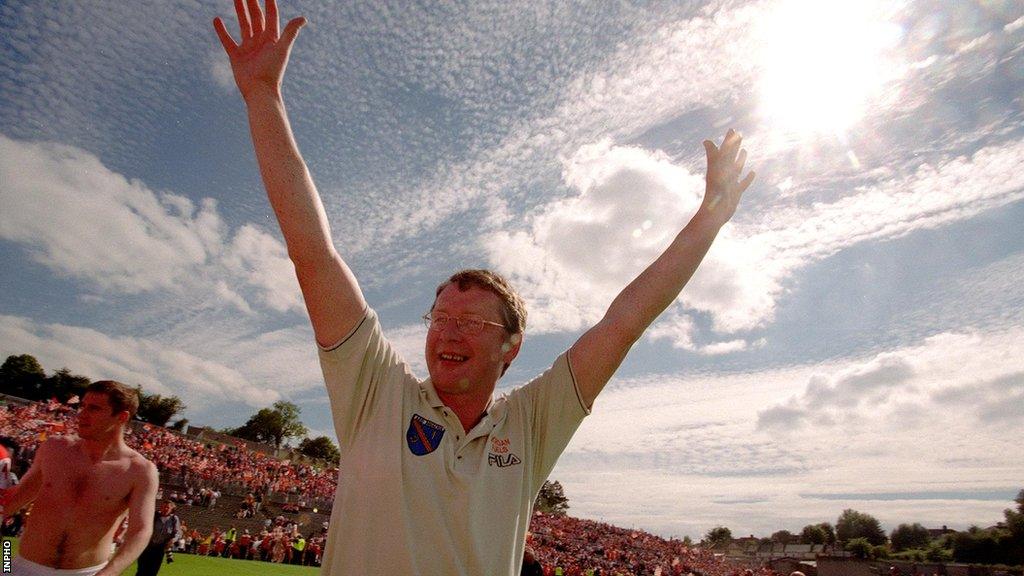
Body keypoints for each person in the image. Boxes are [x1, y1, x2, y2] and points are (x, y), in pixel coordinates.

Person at [213, 0, 755, 573]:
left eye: (470, 323)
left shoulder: (530, 424)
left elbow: (624, 322)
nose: (447, 331)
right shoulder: (376, 391)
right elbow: (313, 256)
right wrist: (264, 98)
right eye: (440, 317)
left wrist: (710, 219)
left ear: (510, 347)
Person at [0, 380, 159, 576]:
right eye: (83, 405)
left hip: (88, 572)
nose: (82, 413)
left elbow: (140, 531)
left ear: (121, 416)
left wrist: (108, 573)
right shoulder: (54, 448)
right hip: (21, 568)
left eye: (94, 408)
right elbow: (15, 499)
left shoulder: (140, 471)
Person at [135, 501, 182, 576]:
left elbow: (178, 533)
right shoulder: (154, 516)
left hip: (160, 549)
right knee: (141, 570)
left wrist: (173, 539)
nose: (165, 509)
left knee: (153, 571)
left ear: (172, 509)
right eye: (163, 507)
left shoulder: (174, 519)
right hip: (147, 546)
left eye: (168, 507)